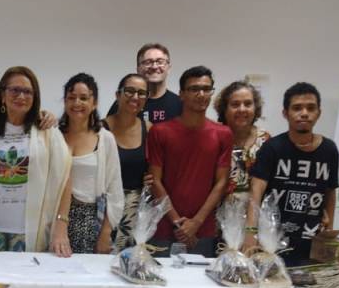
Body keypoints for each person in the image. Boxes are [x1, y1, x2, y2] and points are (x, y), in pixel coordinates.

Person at [0, 66, 72, 256]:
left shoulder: (47, 131)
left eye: (28, 91)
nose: (21, 96)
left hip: (31, 232)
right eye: (15, 90)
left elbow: (65, 179)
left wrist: (61, 225)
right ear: (2, 95)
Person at [244, 82, 339, 266]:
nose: (304, 113)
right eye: (297, 108)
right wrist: (250, 233)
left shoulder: (329, 150)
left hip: (311, 241)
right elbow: (256, 191)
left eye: (310, 108)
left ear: (319, 113)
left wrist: (329, 234)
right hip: (271, 241)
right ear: (285, 113)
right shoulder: (272, 148)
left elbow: (330, 192)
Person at [147, 66, 232, 257]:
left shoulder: (223, 134)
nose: (201, 94)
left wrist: (195, 223)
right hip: (164, 228)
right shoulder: (160, 132)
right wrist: (179, 224)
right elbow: (155, 181)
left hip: (203, 230)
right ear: (181, 94)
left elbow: (221, 182)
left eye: (206, 89)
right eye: (194, 89)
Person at [59, 73, 123, 254]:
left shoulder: (105, 139)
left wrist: (106, 233)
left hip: (91, 222)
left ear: (94, 103)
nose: (77, 103)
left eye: (83, 98)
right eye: (71, 98)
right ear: (65, 101)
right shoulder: (54, 135)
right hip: (56, 219)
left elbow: (114, 190)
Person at [102, 73, 152, 252]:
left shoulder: (149, 129)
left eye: (141, 93)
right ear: (118, 95)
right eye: (130, 91)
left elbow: (155, 169)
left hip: (135, 214)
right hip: (104, 209)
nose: (135, 97)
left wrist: (151, 178)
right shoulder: (100, 128)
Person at [214, 80, 270, 208]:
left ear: (255, 108)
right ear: (224, 109)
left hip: (255, 214)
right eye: (235, 104)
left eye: (248, 104)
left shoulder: (266, 140)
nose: (242, 109)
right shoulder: (214, 137)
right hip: (217, 213)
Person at [106, 43, 182, 124]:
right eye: (148, 62)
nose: (154, 67)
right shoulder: (124, 103)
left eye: (160, 62)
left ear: (169, 68)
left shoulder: (181, 104)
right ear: (138, 69)